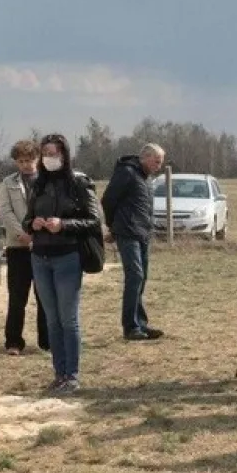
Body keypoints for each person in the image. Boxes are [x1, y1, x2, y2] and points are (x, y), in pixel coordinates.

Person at [24, 134, 101, 394]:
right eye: (45, 153)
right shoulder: (38, 184)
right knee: (51, 320)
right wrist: (32, 224)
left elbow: (93, 220)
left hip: (68, 257)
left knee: (68, 319)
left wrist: (64, 224)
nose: (49, 158)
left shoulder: (79, 183)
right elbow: (27, 218)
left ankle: (72, 375)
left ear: (64, 155)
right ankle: (58, 374)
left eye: (54, 153)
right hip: (40, 257)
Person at [101, 143, 165, 341]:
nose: (159, 166)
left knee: (141, 277)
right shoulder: (127, 173)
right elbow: (108, 200)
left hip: (142, 233)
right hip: (127, 232)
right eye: (156, 161)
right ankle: (130, 327)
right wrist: (113, 227)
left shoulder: (146, 179)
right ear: (145, 157)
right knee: (135, 275)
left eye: (161, 162)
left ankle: (140, 324)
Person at [0, 139, 49, 355]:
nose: (26, 165)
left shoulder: (47, 181)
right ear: (15, 162)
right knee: (17, 296)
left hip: (43, 244)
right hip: (17, 245)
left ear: (37, 160)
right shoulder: (7, 182)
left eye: (30, 160)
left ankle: (47, 341)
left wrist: (38, 234)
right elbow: (6, 211)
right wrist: (21, 233)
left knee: (44, 296)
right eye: (21, 161)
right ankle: (13, 341)